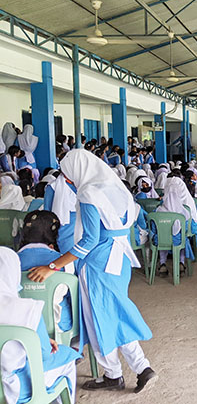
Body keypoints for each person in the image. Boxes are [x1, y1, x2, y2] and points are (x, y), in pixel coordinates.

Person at [27, 149, 156, 393]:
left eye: (67, 176)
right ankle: (138, 368)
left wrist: (51, 267)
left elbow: (88, 240)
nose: (68, 181)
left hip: (99, 262)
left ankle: (118, 373)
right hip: (121, 259)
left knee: (98, 318)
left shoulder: (88, 193)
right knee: (114, 314)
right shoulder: (117, 188)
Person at [0, 247, 80, 404]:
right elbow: (44, 355)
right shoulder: (27, 309)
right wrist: (37, 340)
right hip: (15, 389)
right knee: (67, 358)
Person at [17, 211, 73, 333]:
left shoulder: (10, 261)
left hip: (20, 324)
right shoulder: (65, 262)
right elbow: (72, 297)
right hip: (58, 325)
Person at [154, 177, 197, 277]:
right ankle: (181, 262)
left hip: (159, 240)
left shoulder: (158, 210)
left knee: (161, 237)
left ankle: (162, 263)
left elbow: (153, 227)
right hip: (178, 241)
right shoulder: (184, 212)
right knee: (183, 238)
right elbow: (187, 229)